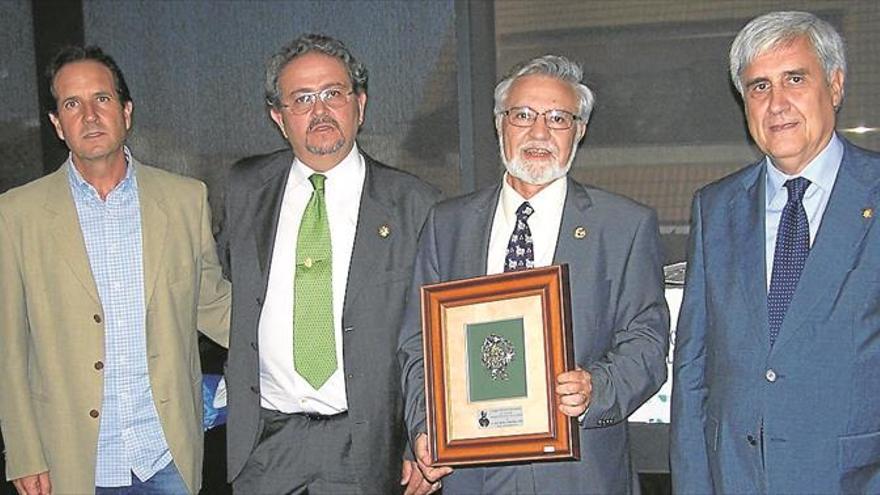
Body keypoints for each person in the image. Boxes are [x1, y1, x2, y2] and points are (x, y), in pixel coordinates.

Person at [398, 54, 670, 494]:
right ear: (499, 124)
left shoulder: (623, 226)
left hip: (580, 476)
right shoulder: (447, 225)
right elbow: (416, 346)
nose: (539, 132)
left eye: (558, 118)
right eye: (522, 115)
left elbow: (648, 342)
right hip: (473, 475)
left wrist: (596, 388)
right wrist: (425, 427)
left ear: (579, 130)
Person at [0, 45, 230, 495]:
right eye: (72, 104)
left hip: (167, 456)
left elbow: (214, 305)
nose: (89, 115)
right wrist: (24, 453)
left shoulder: (185, 199)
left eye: (101, 99)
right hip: (70, 461)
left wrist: (300, 335)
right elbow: (10, 348)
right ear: (56, 125)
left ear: (126, 111)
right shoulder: (16, 215)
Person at [217, 34, 441, 495]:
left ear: (359, 103)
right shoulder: (244, 188)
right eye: (302, 99)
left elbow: (433, 338)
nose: (319, 112)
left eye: (333, 94)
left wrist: (424, 438)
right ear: (278, 117)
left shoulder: (415, 204)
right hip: (265, 445)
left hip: (367, 447)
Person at [671, 11, 880, 494]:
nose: (777, 103)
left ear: (836, 85)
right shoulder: (714, 208)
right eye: (759, 87)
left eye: (795, 79)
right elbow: (693, 371)